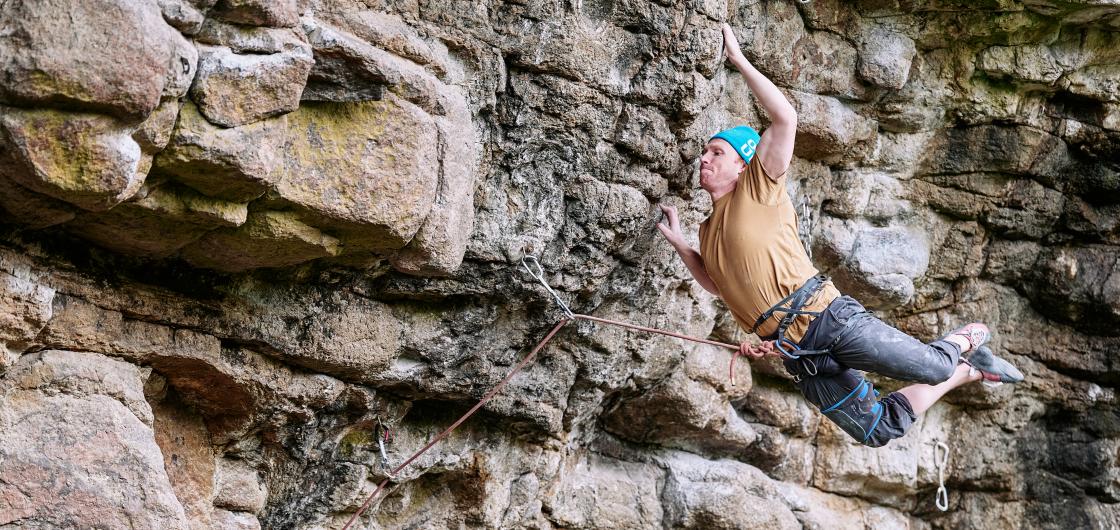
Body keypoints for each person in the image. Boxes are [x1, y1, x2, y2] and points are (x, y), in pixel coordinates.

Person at [656, 24, 1024, 447]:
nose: (704, 159)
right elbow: (715, 284)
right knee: (876, 429)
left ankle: (968, 337)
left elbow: (785, 118)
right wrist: (682, 242)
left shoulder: (760, 188)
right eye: (704, 153)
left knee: (934, 366)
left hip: (828, 320)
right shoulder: (709, 229)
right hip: (798, 353)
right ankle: (973, 369)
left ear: (743, 165)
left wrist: (738, 60)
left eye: (715, 152)